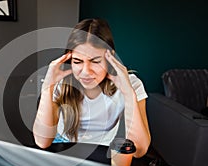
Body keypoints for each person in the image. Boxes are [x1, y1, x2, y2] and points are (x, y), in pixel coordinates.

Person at [33, 18, 151, 158]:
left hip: (103, 152)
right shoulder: (61, 84)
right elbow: (42, 142)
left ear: (110, 57)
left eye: (95, 61)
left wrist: (128, 94)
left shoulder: (131, 84)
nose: (86, 72)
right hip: (64, 149)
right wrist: (48, 86)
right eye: (77, 61)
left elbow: (139, 150)